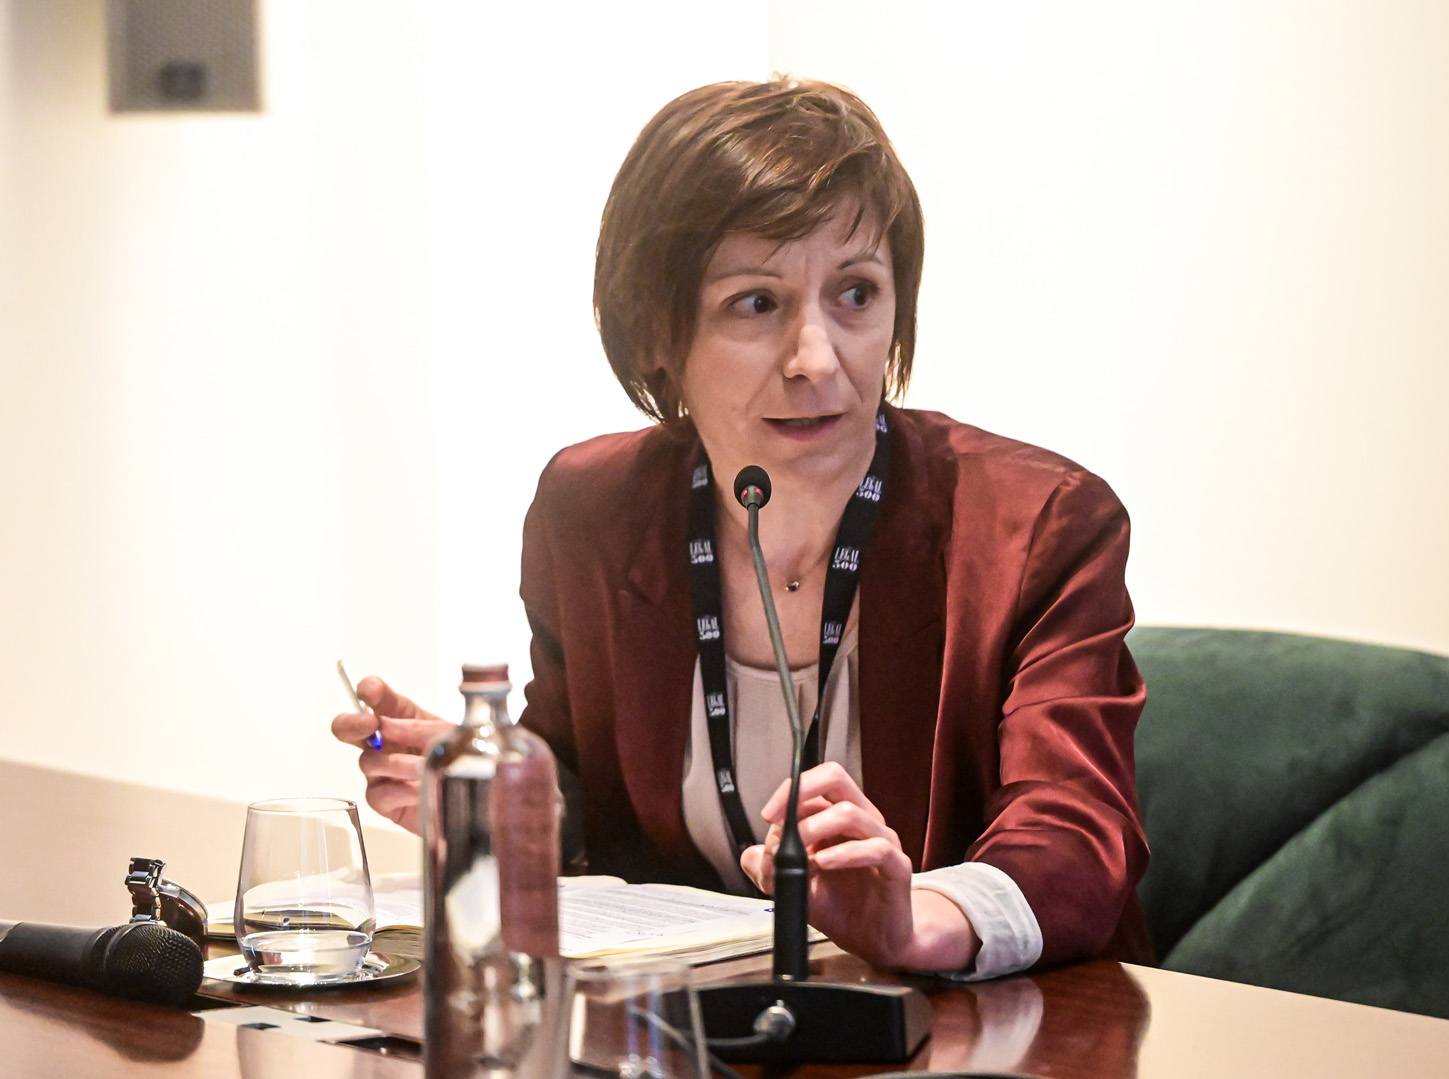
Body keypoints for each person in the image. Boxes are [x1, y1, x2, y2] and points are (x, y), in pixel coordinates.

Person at [332, 78, 1151, 978]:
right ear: (657, 331)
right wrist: (494, 799)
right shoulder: (594, 510)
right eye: (756, 304)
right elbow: (586, 788)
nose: (817, 358)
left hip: (984, 1025)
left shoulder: (1035, 526)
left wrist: (921, 919)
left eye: (856, 293)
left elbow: (1077, 831)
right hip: (689, 1023)